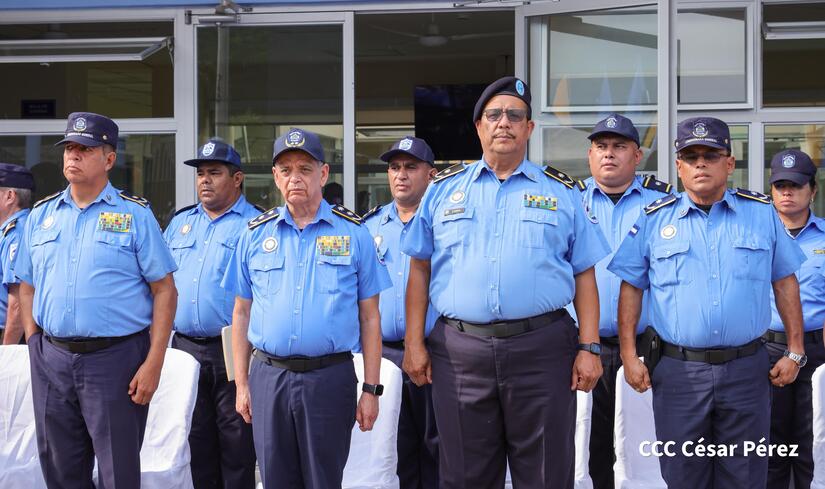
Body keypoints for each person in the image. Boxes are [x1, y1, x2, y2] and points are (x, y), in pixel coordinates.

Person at [401, 76, 610, 489]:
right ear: (478, 126)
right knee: (464, 474)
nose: (504, 123)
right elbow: (419, 269)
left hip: (543, 351)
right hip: (461, 352)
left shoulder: (561, 192)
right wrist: (413, 343)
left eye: (515, 115)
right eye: (494, 115)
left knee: (547, 473)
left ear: (529, 128)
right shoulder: (442, 191)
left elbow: (584, 273)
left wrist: (589, 346)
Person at [608, 117, 806, 489]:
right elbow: (631, 287)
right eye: (691, 156)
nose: (701, 163)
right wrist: (628, 355)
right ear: (679, 166)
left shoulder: (761, 214)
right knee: (683, 477)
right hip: (679, 373)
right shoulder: (654, 219)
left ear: (729, 164)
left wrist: (795, 349)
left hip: (746, 370)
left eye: (710, 155)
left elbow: (785, 281)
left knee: (745, 477)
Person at [14, 112, 178, 489]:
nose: (73, 156)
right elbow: (27, 284)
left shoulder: (134, 215)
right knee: (60, 467)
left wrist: (154, 361)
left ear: (108, 158)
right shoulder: (41, 216)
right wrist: (35, 340)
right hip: (51, 357)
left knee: (117, 470)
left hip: (114, 359)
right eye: (69, 148)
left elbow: (165, 290)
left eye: (85, 149)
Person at [222, 127, 391, 489]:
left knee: (323, 480)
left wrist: (371, 390)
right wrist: (241, 383)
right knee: (274, 478)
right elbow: (240, 313)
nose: (294, 177)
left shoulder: (354, 233)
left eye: (305, 168)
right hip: (269, 376)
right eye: (285, 170)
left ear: (324, 174)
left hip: (328, 379)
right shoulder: (254, 235)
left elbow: (370, 316)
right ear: (275, 177)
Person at [574, 114, 671, 489]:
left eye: (619, 147)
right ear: (590, 155)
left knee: (650, 443)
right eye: (601, 147)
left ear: (638, 154)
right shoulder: (570, 200)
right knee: (590, 443)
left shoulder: (663, 203)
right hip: (584, 344)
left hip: (648, 345)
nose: (609, 154)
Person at [164, 139, 259, 489]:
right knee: (195, 442)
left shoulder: (256, 225)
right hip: (185, 347)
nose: (204, 180)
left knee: (236, 445)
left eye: (214, 173)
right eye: (201, 174)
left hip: (233, 349)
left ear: (237, 179)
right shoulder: (180, 223)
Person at [363, 136, 440, 489]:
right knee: (392, 450)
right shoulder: (368, 228)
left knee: (439, 448)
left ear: (431, 174)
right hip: (385, 356)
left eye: (411, 167)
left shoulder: (446, 223)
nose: (401, 175)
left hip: (437, 353)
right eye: (394, 168)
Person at [764, 149, 825, 489]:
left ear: (812, 190)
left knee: (811, 441)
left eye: (796, 186)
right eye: (780, 185)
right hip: (769, 349)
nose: (787, 193)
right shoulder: (759, 237)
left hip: (818, 352)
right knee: (770, 442)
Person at [0, 163, 34, 345]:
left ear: (10, 196)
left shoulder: (18, 233)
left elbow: (18, 304)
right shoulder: (8, 231)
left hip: (10, 334)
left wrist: (6, 351)